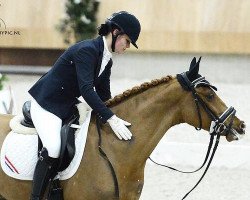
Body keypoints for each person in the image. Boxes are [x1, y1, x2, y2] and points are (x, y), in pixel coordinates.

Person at [28, 11, 141, 199]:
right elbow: (88, 91)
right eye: (127, 41)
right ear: (115, 33)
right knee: (54, 147)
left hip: (66, 105)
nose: (127, 46)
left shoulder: (106, 59)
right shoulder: (87, 51)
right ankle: (35, 196)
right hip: (46, 104)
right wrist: (111, 119)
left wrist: (119, 115)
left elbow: (105, 96)